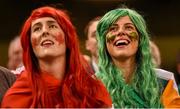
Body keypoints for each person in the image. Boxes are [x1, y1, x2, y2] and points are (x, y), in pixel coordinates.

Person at [1, 6, 112, 108]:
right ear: (30, 45)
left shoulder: (94, 91)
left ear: (68, 38)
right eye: (37, 29)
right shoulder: (17, 97)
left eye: (52, 26)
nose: (44, 31)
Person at [95, 8, 180, 108]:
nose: (121, 32)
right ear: (104, 43)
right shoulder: (92, 85)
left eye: (129, 28)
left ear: (141, 39)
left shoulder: (164, 80)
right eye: (113, 29)